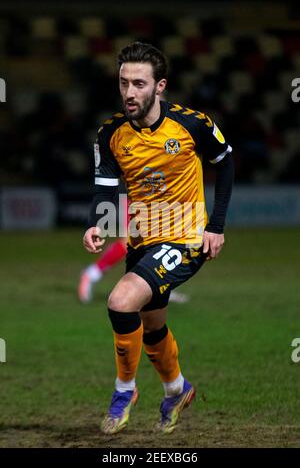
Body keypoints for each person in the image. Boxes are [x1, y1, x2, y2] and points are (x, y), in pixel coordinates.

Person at [83, 42, 234, 435]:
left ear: (159, 86)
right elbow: (104, 185)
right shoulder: (111, 134)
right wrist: (96, 223)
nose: (129, 92)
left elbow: (225, 161)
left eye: (138, 83)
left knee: (120, 300)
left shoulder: (191, 124)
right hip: (142, 239)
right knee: (151, 327)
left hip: (186, 238)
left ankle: (124, 390)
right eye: (123, 83)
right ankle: (176, 389)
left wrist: (216, 225)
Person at [78, 195, 189, 304]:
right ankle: (91, 274)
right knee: (129, 240)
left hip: (155, 198)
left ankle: (160, 288)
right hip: (135, 195)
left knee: (157, 241)